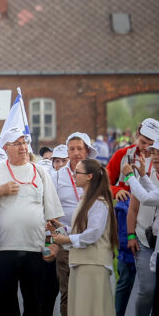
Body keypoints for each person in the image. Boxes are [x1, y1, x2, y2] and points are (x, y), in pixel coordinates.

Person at [0, 128, 64, 316]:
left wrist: (55, 245)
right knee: (6, 306)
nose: (23, 147)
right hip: (3, 250)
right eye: (17, 143)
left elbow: (54, 216)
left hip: (35, 249)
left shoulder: (40, 173)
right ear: (6, 148)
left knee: (35, 304)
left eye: (25, 142)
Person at [51, 159, 118, 315]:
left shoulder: (98, 202)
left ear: (89, 176)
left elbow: (93, 234)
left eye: (77, 172)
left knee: (90, 310)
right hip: (82, 263)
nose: (74, 175)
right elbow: (81, 231)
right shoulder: (86, 200)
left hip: (92, 265)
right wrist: (62, 229)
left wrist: (66, 240)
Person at [49, 132, 99, 316]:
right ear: (67, 151)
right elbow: (50, 208)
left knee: (90, 294)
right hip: (66, 241)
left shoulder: (97, 173)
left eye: (80, 148)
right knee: (68, 294)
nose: (76, 152)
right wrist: (55, 238)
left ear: (87, 150)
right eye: (72, 149)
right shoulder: (56, 176)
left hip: (92, 242)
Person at [121, 118, 159, 316]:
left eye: (151, 146)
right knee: (146, 290)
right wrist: (130, 235)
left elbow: (150, 196)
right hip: (144, 239)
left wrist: (132, 178)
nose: (146, 149)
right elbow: (134, 206)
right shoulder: (145, 168)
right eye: (143, 143)